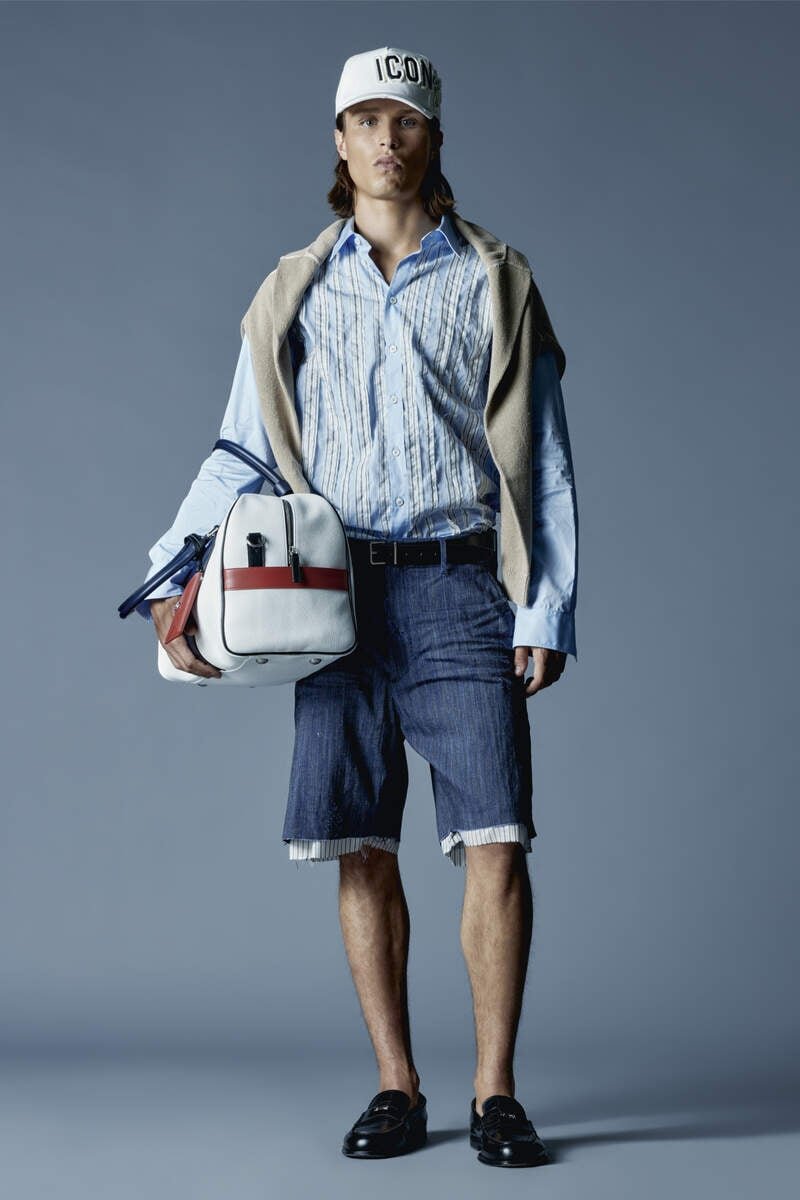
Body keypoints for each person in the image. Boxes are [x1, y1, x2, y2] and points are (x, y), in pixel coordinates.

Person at [138, 45, 578, 1168]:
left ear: (435, 139)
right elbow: (240, 450)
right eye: (367, 119)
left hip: (460, 586)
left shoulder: (496, 279)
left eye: (407, 119)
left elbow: (541, 458)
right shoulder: (292, 288)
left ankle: (495, 1094)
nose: (388, 138)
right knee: (360, 843)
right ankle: (397, 1086)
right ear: (339, 141)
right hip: (328, 596)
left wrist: (545, 607)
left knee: (495, 837)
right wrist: (173, 574)